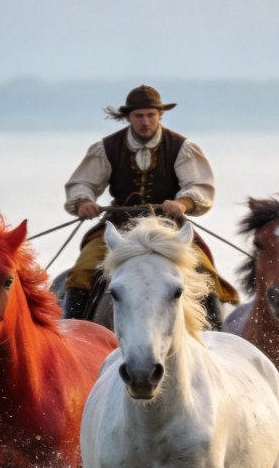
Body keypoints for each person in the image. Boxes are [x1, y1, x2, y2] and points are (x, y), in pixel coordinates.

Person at [62, 84, 239, 326]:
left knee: (205, 273)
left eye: (151, 115)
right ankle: (73, 335)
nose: (145, 121)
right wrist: (84, 202)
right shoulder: (106, 148)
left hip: (169, 228)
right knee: (81, 272)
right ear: (128, 117)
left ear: (159, 115)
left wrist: (183, 203)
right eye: (139, 115)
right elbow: (82, 183)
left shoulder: (182, 147)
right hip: (119, 228)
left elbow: (199, 186)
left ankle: (216, 338)